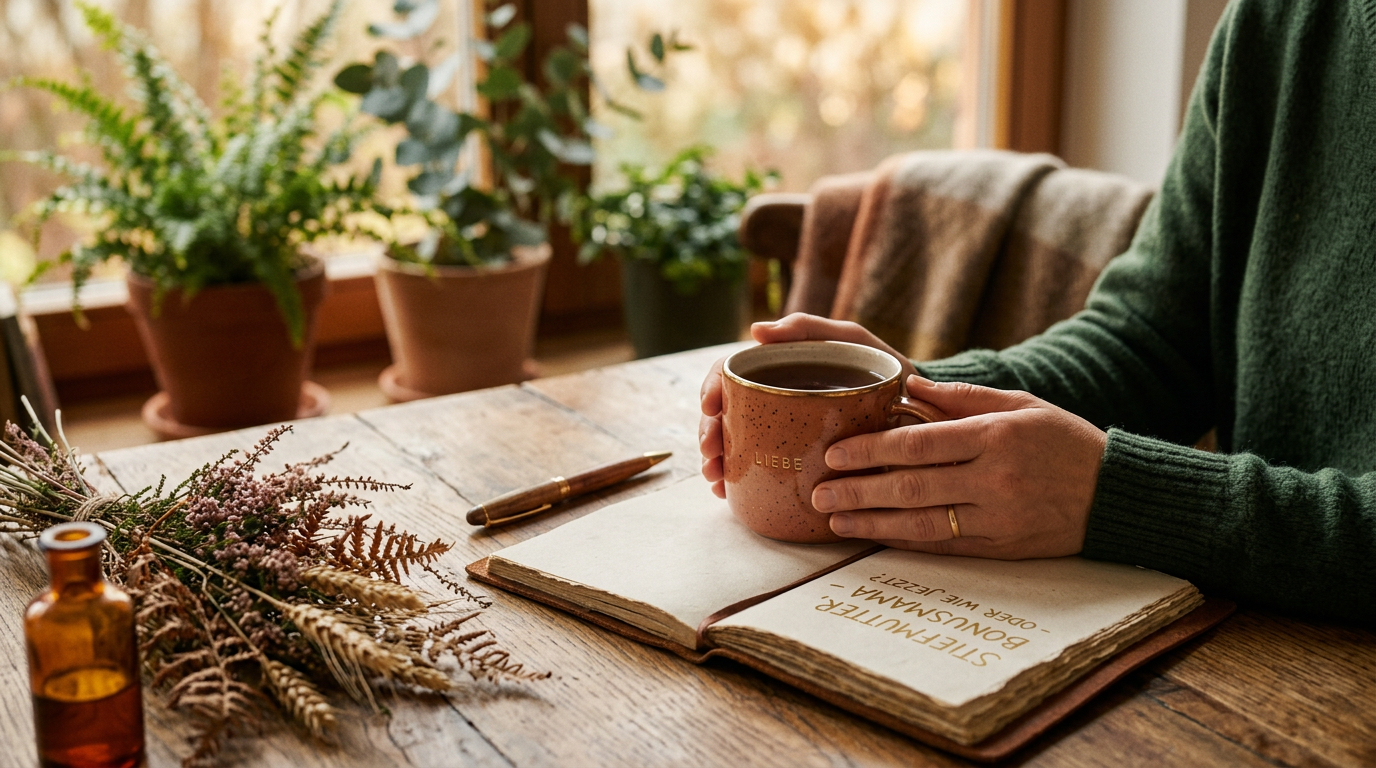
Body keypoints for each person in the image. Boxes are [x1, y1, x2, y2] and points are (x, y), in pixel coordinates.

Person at [699, 0, 1375, 625]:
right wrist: (910, 401)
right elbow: (1152, 341)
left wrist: (1123, 500)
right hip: (1251, 631)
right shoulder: (1278, 19)